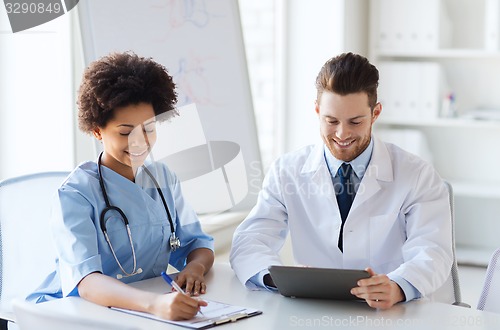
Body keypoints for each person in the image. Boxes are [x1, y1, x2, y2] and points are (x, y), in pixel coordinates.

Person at [230, 52, 453, 310]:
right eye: (331, 120)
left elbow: (434, 251)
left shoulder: (417, 175)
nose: (342, 134)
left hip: (391, 313)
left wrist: (399, 286)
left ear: (375, 113)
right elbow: (249, 241)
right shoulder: (286, 171)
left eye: (355, 122)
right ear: (317, 110)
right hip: (314, 310)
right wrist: (276, 279)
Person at [27, 52, 214, 320]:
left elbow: (199, 244)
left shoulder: (163, 179)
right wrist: (154, 305)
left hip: (138, 309)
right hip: (71, 314)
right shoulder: (76, 193)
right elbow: (87, 281)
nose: (140, 142)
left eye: (149, 129)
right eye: (125, 132)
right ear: (97, 131)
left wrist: (195, 268)